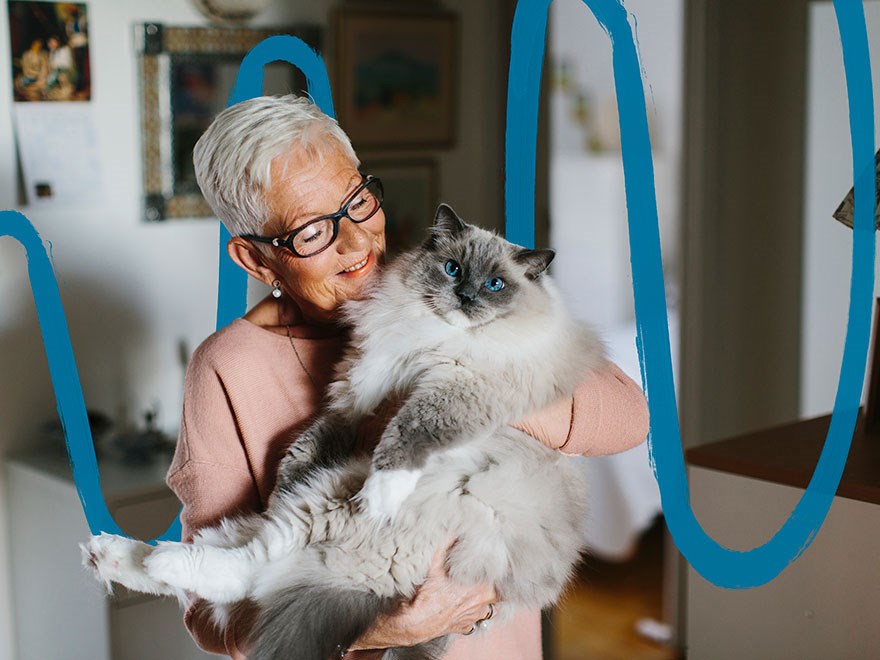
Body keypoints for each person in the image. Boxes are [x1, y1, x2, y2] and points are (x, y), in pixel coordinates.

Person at [167, 94, 650, 659]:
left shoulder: (446, 294)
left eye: (357, 202)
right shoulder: (228, 368)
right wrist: (376, 630)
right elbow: (206, 608)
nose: (355, 242)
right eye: (310, 233)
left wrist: (467, 394)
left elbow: (628, 417)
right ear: (255, 260)